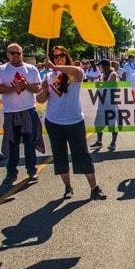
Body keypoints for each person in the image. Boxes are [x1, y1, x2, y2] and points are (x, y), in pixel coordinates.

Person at [37, 46, 104, 200]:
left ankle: (94, 188)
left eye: (61, 55)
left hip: (74, 121)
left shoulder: (74, 73)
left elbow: (77, 72)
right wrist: (44, 90)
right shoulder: (48, 76)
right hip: (54, 121)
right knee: (59, 156)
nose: (58, 58)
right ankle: (67, 187)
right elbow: (40, 100)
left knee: (82, 154)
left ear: (66, 56)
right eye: (55, 57)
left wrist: (55, 67)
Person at [0, 43, 43, 185]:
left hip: (28, 110)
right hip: (11, 112)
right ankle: (11, 172)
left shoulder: (31, 69)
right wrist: (14, 88)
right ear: (8, 54)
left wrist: (25, 85)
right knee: (12, 143)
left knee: (29, 142)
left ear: (22, 54)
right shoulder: (2, 70)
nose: (16, 55)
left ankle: (31, 169)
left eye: (18, 53)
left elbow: (38, 87)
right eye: (13, 53)